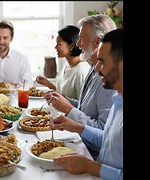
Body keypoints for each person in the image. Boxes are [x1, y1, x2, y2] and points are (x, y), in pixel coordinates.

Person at [50, 28, 123, 180]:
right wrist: (78, 127)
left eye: (102, 62)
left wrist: (89, 166)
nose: (96, 68)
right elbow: (110, 140)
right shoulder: (118, 101)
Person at [45, 14, 117, 159]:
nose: (77, 44)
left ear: (97, 42)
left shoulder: (111, 81)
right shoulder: (92, 67)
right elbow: (86, 107)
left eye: (81, 38)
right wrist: (65, 100)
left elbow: (103, 133)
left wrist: (68, 109)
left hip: (91, 154)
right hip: (78, 142)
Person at [36, 25, 90, 99]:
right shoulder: (67, 64)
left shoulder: (81, 71)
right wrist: (48, 84)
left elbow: (82, 105)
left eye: (59, 44)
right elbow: (63, 95)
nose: (55, 47)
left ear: (71, 45)